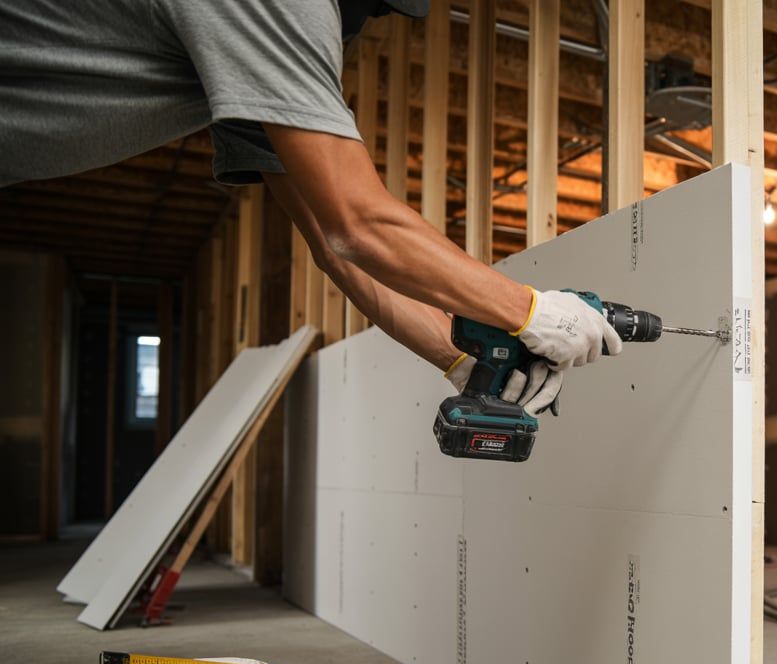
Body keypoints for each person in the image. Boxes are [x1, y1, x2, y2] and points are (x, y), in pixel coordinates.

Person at [0, 0, 622, 414]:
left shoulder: (264, 47)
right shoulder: (280, 7)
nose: (362, 23)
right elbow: (360, 225)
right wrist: (533, 311)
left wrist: (459, 357)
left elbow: (331, 245)